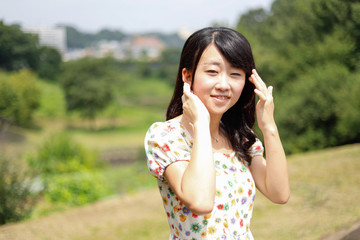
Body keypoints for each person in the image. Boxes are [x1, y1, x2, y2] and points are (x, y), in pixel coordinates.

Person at [144, 27, 290, 240]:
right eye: (212, 72)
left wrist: (269, 127)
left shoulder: (238, 138)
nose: (223, 85)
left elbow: (279, 193)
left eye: (235, 74)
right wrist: (201, 124)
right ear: (188, 76)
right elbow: (200, 201)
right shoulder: (166, 136)